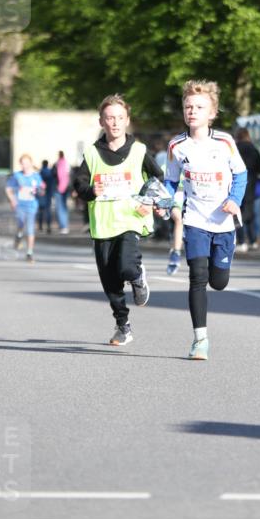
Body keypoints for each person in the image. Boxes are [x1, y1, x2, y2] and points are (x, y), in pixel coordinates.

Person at [164, 80, 247, 361]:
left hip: (223, 222)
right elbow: (170, 180)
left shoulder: (224, 142)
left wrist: (234, 200)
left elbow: (241, 174)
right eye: (188, 106)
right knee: (197, 277)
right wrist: (165, 202)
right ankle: (200, 340)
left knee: (218, 281)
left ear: (212, 113)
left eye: (199, 107)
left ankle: (226, 254)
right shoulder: (176, 146)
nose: (192, 111)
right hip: (195, 219)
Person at [74, 95, 163, 346]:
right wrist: (91, 190)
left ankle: (137, 275)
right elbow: (79, 184)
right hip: (103, 224)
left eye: (120, 118)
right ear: (101, 121)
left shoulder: (139, 151)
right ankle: (123, 325)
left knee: (126, 266)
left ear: (127, 121)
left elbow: (157, 179)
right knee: (110, 280)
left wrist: (150, 201)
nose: (115, 123)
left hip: (131, 218)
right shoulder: (92, 153)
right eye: (110, 118)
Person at [5, 154, 44, 264]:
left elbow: (42, 190)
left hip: (32, 205)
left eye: (26, 163)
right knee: (21, 224)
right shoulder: (17, 176)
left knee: (30, 229)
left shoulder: (36, 176)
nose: (25, 165)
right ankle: (18, 235)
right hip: (20, 205)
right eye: (22, 163)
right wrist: (12, 200)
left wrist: (40, 191)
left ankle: (29, 253)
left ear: (31, 163)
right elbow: (8, 189)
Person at [234, 127, 260, 253]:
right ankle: (253, 241)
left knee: (237, 213)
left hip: (237, 185)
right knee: (250, 213)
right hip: (251, 184)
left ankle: (241, 241)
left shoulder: (234, 149)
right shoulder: (253, 149)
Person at [54, 150, 70, 234]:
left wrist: (59, 187)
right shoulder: (66, 163)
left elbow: (60, 175)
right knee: (64, 207)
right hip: (66, 187)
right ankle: (65, 225)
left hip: (60, 188)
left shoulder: (59, 163)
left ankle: (63, 226)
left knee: (60, 208)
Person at [37, 159, 55, 233]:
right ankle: (48, 226)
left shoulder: (40, 172)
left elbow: (38, 184)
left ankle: (40, 226)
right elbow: (53, 183)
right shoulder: (50, 172)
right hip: (48, 193)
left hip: (41, 193)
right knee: (48, 210)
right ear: (47, 164)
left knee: (41, 210)